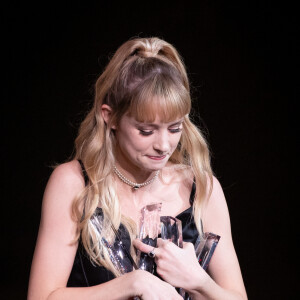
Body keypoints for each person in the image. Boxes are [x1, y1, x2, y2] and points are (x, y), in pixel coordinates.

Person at [28, 37, 247, 300]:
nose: (164, 145)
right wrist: (135, 283)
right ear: (109, 117)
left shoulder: (200, 189)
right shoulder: (74, 184)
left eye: (175, 128)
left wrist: (200, 282)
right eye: (146, 131)